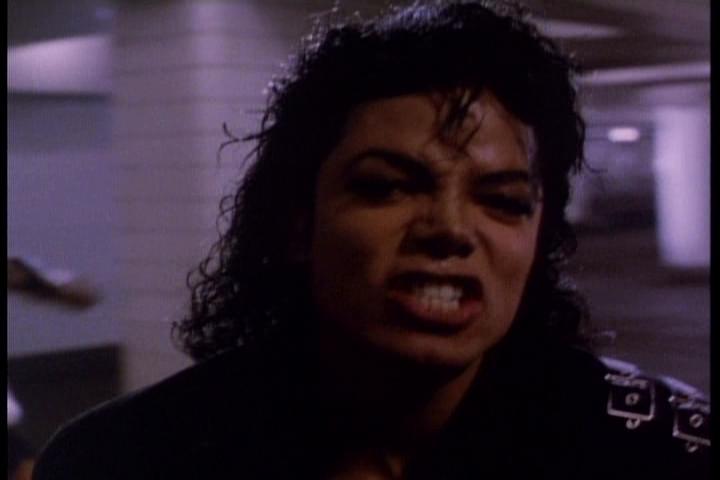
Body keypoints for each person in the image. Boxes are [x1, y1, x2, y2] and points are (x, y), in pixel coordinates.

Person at [32, 1, 710, 478]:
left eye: (502, 201)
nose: (450, 229)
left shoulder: (658, 450)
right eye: (387, 187)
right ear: (298, 224)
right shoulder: (125, 458)